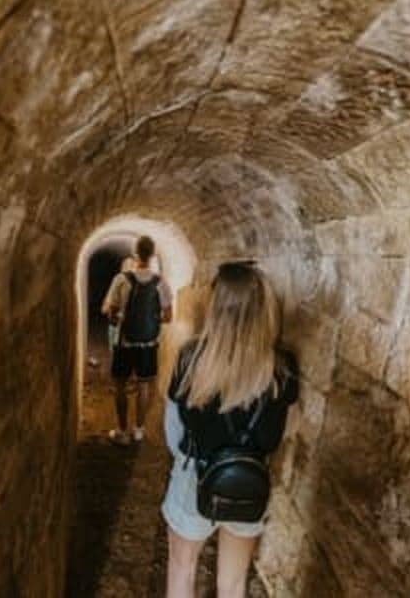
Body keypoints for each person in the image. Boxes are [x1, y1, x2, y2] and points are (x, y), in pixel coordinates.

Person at [161, 261, 299, 598]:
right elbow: (282, 432)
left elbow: (173, 432)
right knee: (233, 584)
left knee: (182, 569)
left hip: (194, 473)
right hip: (249, 480)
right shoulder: (282, 368)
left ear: (216, 305)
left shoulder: (190, 358)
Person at [101, 236, 173, 445]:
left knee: (120, 385)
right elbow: (168, 317)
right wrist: (152, 318)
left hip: (125, 342)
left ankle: (122, 431)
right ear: (152, 255)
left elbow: (110, 311)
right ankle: (139, 429)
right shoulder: (161, 282)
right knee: (144, 386)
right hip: (149, 344)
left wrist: (118, 316)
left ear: (134, 253)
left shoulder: (121, 279)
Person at [104, 255, 137, 353]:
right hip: (131, 319)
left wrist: (107, 306)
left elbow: (111, 297)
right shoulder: (141, 279)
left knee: (116, 343)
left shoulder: (119, 278)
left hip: (119, 317)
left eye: (130, 264)